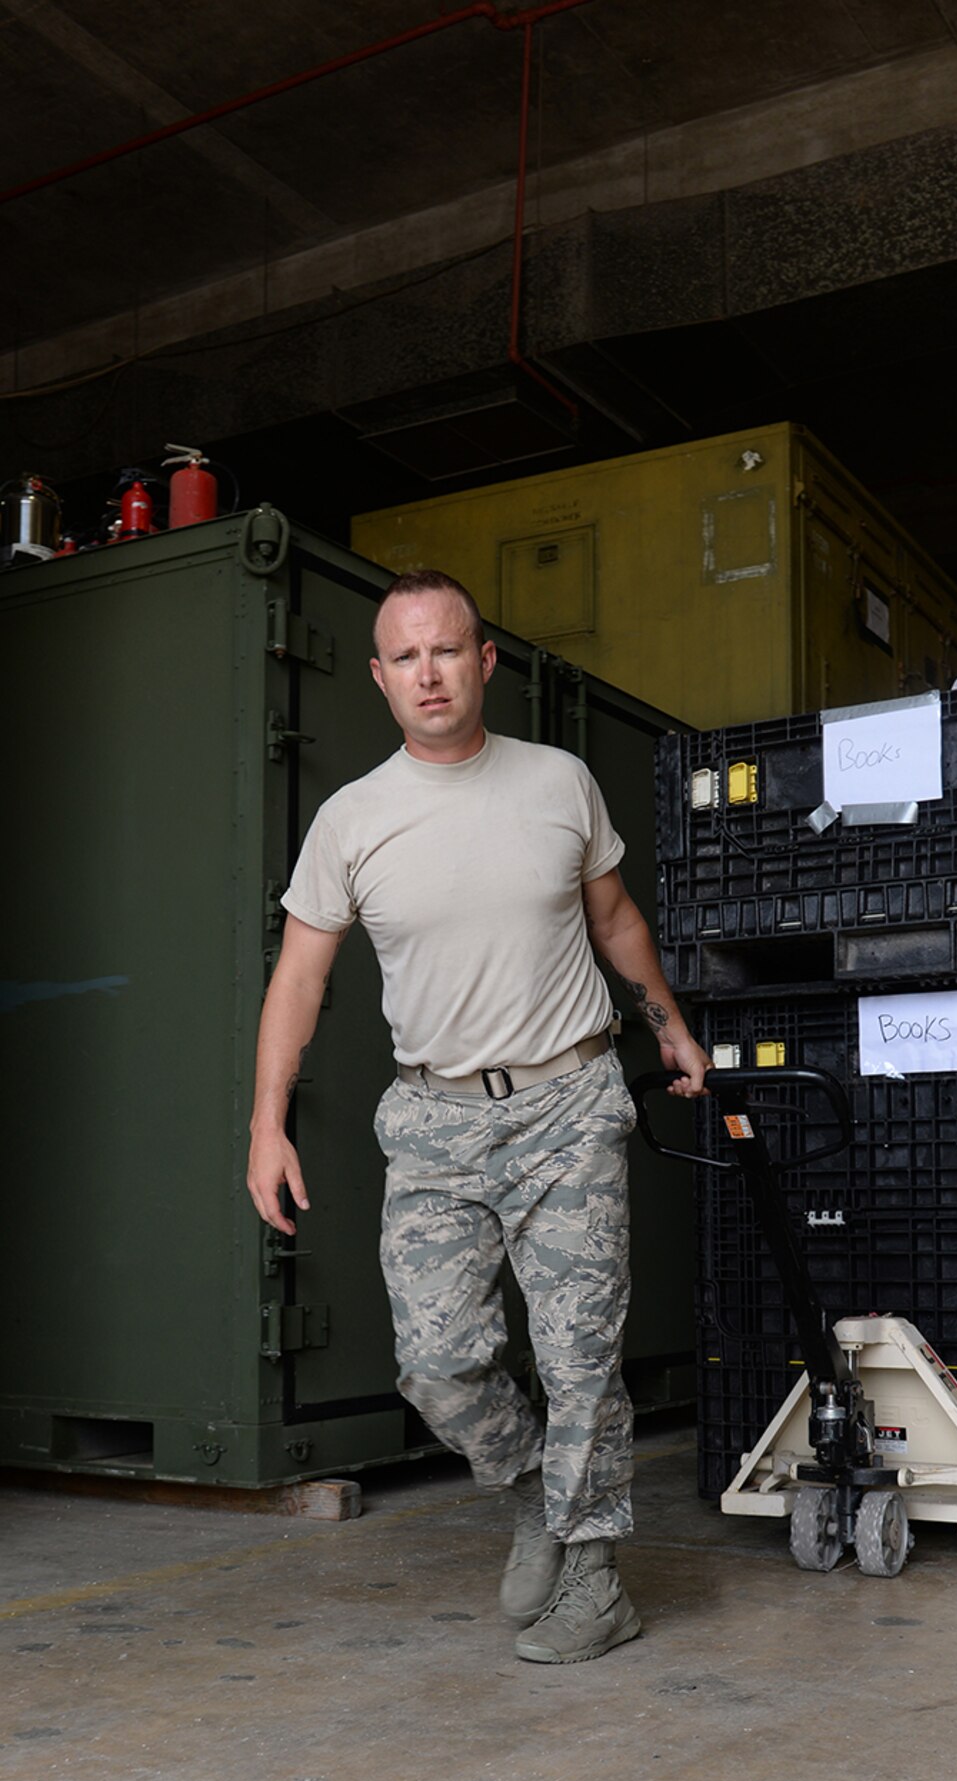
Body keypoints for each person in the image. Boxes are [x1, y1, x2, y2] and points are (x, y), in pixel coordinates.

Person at [246, 568, 709, 1661]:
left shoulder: (559, 781)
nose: (428, 673)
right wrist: (266, 1124)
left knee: (581, 1354)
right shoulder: (351, 818)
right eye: (404, 657)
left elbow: (616, 917)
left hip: (567, 1099)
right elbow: (298, 982)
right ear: (378, 677)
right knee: (438, 1362)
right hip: (435, 1123)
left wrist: (670, 1025)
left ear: (484, 660)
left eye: (446, 650)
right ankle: (534, 1496)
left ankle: (597, 1578)